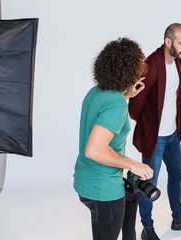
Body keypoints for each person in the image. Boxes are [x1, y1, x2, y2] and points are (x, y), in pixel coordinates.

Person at [128, 23, 181, 240]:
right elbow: (134, 105)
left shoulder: (178, 62)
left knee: (177, 174)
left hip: (172, 134)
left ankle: (178, 218)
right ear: (168, 42)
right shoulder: (150, 65)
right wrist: (149, 125)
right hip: (155, 137)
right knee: (148, 183)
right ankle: (147, 227)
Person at [73, 37, 154, 240]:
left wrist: (127, 95)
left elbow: (106, 112)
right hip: (103, 189)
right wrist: (132, 164)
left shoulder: (97, 92)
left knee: (131, 198)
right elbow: (94, 150)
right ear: (131, 71)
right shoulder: (116, 104)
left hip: (86, 179)